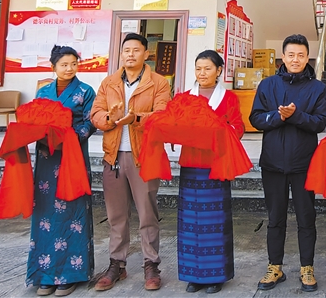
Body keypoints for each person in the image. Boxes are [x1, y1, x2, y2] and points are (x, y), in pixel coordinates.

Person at [90, 33, 171, 292]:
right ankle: (117, 264)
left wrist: (135, 119)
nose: (131, 54)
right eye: (127, 50)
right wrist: (108, 119)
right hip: (113, 157)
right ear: (121, 53)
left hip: (144, 157)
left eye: (136, 50)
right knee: (116, 215)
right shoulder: (109, 82)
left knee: (147, 214)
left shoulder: (158, 83)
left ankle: (151, 265)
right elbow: (95, 113)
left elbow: (162, 115)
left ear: (146, 54)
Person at [249, 34, 326, 293]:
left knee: (307, 217)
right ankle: (275, 266)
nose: (296, 59)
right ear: (282, 57)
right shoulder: (268, 84)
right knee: (275, 218)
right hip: (273, 163)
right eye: (291, 55)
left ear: (308, 58)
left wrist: (295, 116)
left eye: (301, 55)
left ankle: (307, 267)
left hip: (304, 163)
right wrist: (278, 117)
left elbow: (320, 123)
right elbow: (255, 119)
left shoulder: (317, 88)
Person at [29, 46, 96, 297]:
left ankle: (70, 274)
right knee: (45, 215)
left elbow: (90, 122)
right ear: (53, 67)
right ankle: (45, 274)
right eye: (64, 64)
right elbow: (34, 119)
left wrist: (70, 136)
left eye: (74, 64)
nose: (70, 69)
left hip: (72, 157)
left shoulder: (86, 91)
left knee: (73, 213)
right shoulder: (43, 92)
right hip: (47, 160)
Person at [178, 50, 245, 294]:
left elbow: (238, 127)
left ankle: (216, 275)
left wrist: (220, 130)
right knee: (190, 222)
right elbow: (175, 123)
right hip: (191, 164)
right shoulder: (185, 97)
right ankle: (193, 275)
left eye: (207, 68)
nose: (202, 73)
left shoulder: (229, 98)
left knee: (216, 221)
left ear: (218, 71)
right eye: (198, 69)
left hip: (217, 165)